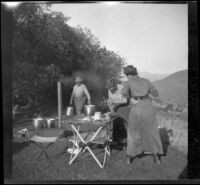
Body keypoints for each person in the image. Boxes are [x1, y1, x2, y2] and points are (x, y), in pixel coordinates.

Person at [121, 65, 163, 165]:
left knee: (133, 132)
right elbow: (156, 93)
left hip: (136, 108)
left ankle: (128, 158)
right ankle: (156, 157)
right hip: (148, 107)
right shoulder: (146, 81)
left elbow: (124, 93)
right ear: (136, 72)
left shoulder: (128, 82)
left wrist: (131, 98)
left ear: (127, 74)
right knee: (151, 132)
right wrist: (146, 94)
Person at [107, 79, 129, 148]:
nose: (110, 90)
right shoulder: (109, 90)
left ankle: (127, 143)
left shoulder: (121, 88)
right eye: (109, 88)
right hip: (117, 106)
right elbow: (110, 100)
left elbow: (125, 100)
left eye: (111, 88)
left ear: (115, 85)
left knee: (125, 123)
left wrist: (116, 104)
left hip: (126, 106)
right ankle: (118, 142)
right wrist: (112, 110)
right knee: (116, 121)